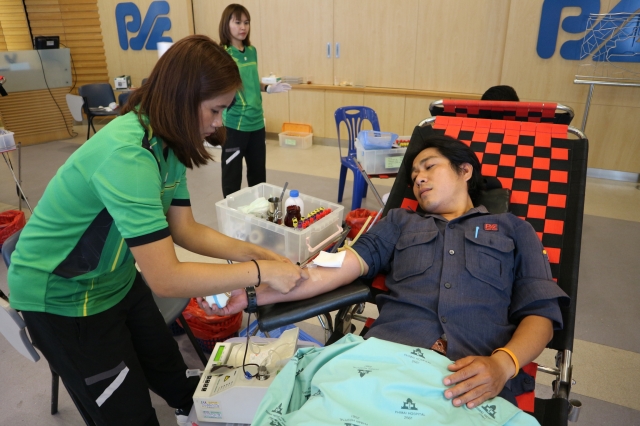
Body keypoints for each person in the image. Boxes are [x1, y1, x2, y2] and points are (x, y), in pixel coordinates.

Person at [7, 35, 307, 426]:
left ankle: (191, 411)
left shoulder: (168, 142)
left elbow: (185, 229)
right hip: (63, 300)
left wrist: (261, 254)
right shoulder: (128, 154)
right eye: (215, 110)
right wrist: (261, 272)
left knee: (172, 372)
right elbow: (166, 278)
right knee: (128, 414)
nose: (219, 123)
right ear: (183, 98)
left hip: (114, 278)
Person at [201, 134, 569, 410]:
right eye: (414, 175)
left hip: (471, 381)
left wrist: (503, 365)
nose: (418, 179)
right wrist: (250, 295)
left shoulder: (514, 230)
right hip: (385, 364)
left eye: (429, 167)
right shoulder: (400, 222)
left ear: (465, 170)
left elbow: (542, 314)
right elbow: (332, 271)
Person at [218, 4, 291, 198]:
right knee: (232, 178)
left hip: (257, 122)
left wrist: (268, 88)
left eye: (246, 22)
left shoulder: (251, 51)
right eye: (238, 22)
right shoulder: (222, 54)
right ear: (226, 24)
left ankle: (259, 211)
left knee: (258, 176)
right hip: (235, 124)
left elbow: (251, 81)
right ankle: (231, 212)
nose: (243, 27)